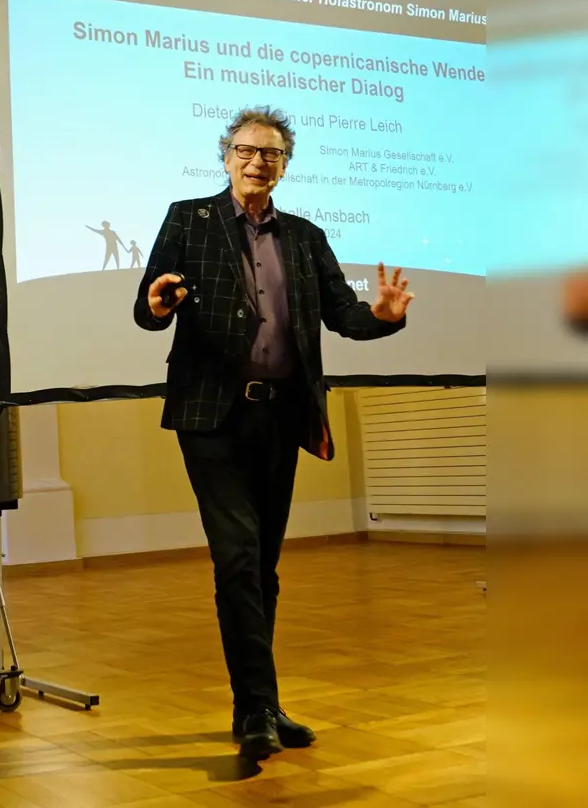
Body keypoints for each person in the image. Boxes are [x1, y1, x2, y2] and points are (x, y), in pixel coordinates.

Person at [133, 107, 413, 760]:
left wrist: (383, 317)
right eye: (246, 150)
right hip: (211, 417)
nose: (258, 161)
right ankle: (258, 706)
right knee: (235, 558)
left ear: (286, 165)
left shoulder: (307, 237)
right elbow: (151, 304)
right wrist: (156, 303)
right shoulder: (187, 219)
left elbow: (343, 315)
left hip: (280, 416)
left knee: (262, 566)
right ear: (225, 156)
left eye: (272, 154)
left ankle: (257, 702)